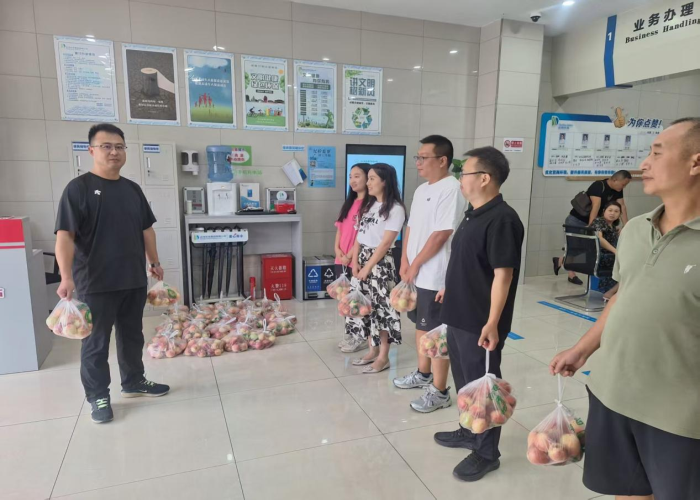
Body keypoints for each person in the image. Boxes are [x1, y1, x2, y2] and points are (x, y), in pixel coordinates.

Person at [550, 118, 700, 500]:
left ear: (695, 162)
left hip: (678, 416)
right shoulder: (635, 231)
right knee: (627, 492)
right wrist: (582, 349)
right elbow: (621, 297)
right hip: (612, 394)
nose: (643, 164)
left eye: (656, 153)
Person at [54, 123, 169, 424]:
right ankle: (98, 396)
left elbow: (146, 229)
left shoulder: (132, 190)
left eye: (119, 146)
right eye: (106, 146)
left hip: (133, 278)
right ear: (91, 150)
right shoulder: (78, 189)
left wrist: (154, 261)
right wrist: (66, 277)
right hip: (96, 282)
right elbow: (65, 236)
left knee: (132, 336)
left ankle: (133, 381)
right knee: (96, 343)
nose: (114, 152)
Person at [434, 146, 524, 482]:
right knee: (465, 381)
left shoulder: (503, 219)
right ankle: (469, 430)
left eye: (464, 173)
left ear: (484, 178)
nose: (460, 179)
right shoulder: (474, 213)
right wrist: (449, 289)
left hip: (480, 322)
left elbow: (503, 275)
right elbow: (469, 263)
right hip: (458, 313)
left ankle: (486, 453)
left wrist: (492, 322)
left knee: (483, 386)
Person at [393, 135, 465, 413]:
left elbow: (442, 233)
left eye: (424, 157)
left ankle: (440, 390)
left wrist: (416, 264)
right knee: (421, 326)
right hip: (417, 272)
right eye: (418, 157)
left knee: (437, 333)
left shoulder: (452, 189)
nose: (418, 162)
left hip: (435, 274)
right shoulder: (422, 189)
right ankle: (423, 374)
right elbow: (411, 227)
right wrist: (404, 259)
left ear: (442, 160)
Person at [350, 163, 405, 374]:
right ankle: (371, 350)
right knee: (364, 308)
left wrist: (367, 268)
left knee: (382, 310)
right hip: (363, 259)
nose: (368, 183)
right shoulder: (369, 205)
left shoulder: (395, 209)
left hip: (380, 263)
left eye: (372, 178)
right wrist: (355, 262)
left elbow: (385, 243)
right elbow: (359, 236)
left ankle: (383, 357)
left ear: (385, 181)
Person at [554, 170, 632, 284]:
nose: (624, 187)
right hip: (577, 220)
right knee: (576, 248)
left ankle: (560, 261)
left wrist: (627, 226)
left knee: (587, 250)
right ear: (615, 180)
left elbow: (622, 207)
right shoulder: (598, 186)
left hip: (592, 222)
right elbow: (596, 206)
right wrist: (591, 227)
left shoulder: (618, 190)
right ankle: (571, 273)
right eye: (623, 184)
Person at [335, 163, 372, 353]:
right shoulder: (349, 203)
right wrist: (337, 250)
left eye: (357, 176)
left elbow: (362, 234)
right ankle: (350, 334)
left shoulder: (370, 205)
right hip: (341, 260)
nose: (352, 180)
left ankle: (361, 337)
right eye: (350, 176)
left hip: (356, 260)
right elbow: (340, 228)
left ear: (368, 178)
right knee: (345, 301)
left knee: (358, 301)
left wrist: (349, 255)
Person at [589, 201, 622, 299]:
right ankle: (611, 292)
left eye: (616, 211)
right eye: (610, 210)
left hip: (609, 256)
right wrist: (616, 252)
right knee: (632, 267)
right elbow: (599, 239)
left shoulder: (614, 227)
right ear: (604, 211)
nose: (612, 213)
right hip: (599, 256)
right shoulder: (599, 221)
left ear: (619, 214)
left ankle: (614, 291)